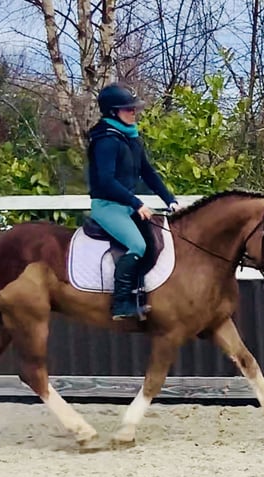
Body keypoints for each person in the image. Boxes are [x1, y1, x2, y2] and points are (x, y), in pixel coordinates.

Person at [87, 83, 179, 320]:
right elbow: (106, 181)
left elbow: (148, 173)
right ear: (112, 112)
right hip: (107, 206)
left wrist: (170, 200)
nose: (133, 112)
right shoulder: (106, 140)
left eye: (133, 108)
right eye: (128, 109)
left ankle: (141, 291)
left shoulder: (131, 138)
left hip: (126, 205)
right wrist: (137, 203)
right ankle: (121, 304)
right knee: (137, 245)